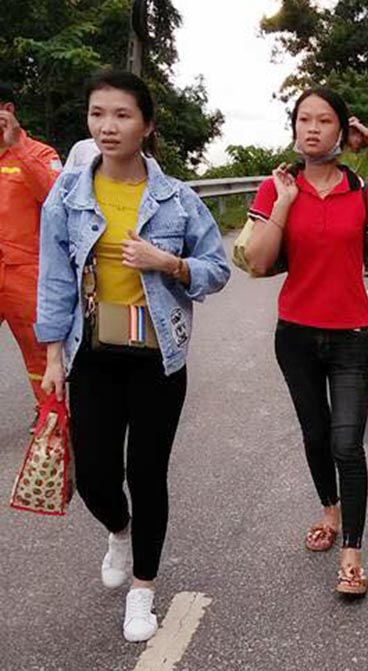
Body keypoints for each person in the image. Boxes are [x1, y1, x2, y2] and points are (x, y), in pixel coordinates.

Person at [36, 70, 230, 642]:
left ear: (146, 125)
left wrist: (165, 262)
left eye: (121, 115)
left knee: (147, 473)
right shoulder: (67, 196)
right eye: (98, 114)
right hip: (91, 354)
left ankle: (143, 590)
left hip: (157, 358)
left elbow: (215, 270)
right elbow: (54, 280)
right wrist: (52, 356)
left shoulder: (178, 200)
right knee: (95, 475)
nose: (107, 126)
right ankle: (118, 530)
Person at [243, 87, 368, 598]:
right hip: (295, 335)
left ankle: (352, 551)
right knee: (315, 433)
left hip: (351, 334)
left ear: (341, 130)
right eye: (303, 120)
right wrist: (285, 203)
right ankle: (329, 510)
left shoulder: (364, 193)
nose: (311, 129)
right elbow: (260, 262)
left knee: (346, 443)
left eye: (323, 120)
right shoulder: (277, 188)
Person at [0, 82, 61, 414]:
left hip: (28, 275)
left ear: (7, 109)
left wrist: (17, 146)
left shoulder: (41, 154)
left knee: (41, 357)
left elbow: (55, 198)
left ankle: (52, 425)